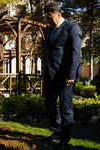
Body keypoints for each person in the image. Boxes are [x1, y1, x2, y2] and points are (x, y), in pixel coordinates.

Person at [42, 2, 82, 150]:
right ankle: (57, 131)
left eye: (50, 17)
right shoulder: (48, 30)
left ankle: (65, 139)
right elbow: (46, 53)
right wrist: (44, 73)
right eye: (46, 17)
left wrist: (71, 74)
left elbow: (75, 53)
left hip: (65, 77)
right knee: (50, 105)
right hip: (50, 75)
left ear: (59, 15)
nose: (47, 20)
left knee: (66, 109)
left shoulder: (72, 28)